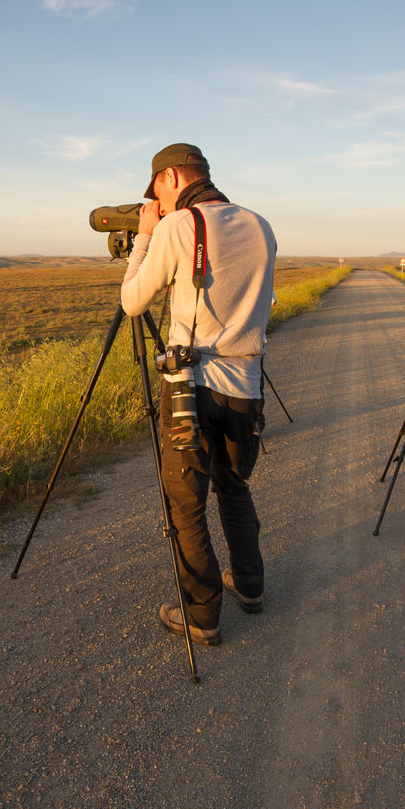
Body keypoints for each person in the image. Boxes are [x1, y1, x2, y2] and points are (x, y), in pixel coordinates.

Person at [120, 143, 276, 646]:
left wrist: (144, 238)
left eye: (156, 194)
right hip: (246, 384)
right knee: (235, 487)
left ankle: (202, 615)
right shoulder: (260, 224)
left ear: (170, 177)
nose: (156, 204)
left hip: (190, 387)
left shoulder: (175, 227)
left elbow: (132, 301)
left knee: (186, 503)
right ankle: (249, 586)